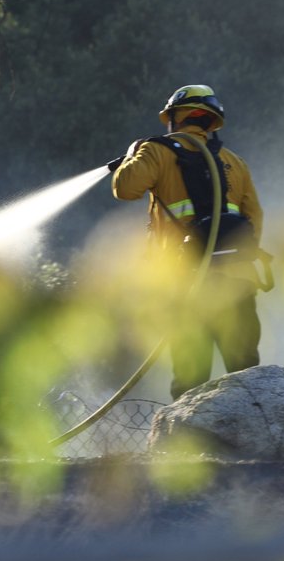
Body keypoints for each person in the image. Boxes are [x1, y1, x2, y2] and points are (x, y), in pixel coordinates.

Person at [110, 84, 269, 399]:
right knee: (246, 374)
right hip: (237, 282)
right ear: (211, 122)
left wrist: (133, 156)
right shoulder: (234, 162)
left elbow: (126, 189)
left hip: (185, 283)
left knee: (190, 379)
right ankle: (255, 427)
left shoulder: (156, 151)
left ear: (174, 118)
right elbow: (255, 219)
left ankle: (190, 429)